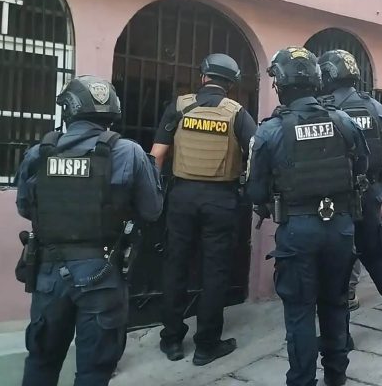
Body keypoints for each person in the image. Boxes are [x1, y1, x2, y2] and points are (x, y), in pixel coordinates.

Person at [15, 76, 163, 386]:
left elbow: (25, 208)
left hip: (49, 274)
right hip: (102, 274)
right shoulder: (128, 152)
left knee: (41, 363)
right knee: (94, 373)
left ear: (69, 109)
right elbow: (152, 211)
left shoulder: (40, 153)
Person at [246, 47, 369, 386]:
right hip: (340, 227)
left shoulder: (270, 131)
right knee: (336, 305)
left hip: (298, 232)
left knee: (300, 313)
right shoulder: (343, 121)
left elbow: (254, 192)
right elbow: (363, 167)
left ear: (281, 84)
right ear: (316, 81)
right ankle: (336, 377)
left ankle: (301, 380)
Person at [151, 53, 257, 365]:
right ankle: (206, 346)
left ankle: (172, 340)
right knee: (215, 272)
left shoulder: (180, 106)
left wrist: (153, 198)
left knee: (176, 267)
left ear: (203, 77)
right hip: (220, 200)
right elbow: (257, 152)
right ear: (231, 84)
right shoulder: (237, 113)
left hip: (181, 197)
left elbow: (157, 155)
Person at [317, 49, 382, 331]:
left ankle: (339, 329)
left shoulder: (324, 109)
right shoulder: (374, 106)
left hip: (336, 197)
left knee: (334, 261)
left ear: (328, 75)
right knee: (377, 255)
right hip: (370, 192)